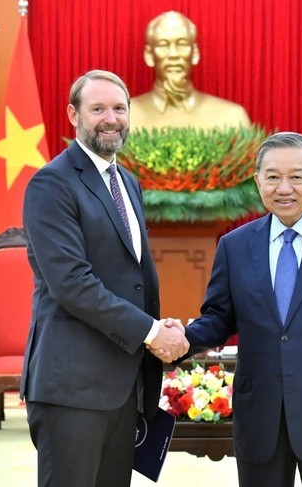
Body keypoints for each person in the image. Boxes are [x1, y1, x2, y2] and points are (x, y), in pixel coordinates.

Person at [158, 132, 302, 486]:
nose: (284, 188)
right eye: (273, 177)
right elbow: (219, 318)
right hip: (259, 418)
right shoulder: (235, 246)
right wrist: (180, 338)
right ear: (257, 181)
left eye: (296, 176)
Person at [20, 69, 189, 487]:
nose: (110, 118)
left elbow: (130, 278)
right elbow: (72, 284)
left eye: (119, 108)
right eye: (97, 109)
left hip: (123, 387)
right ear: (73, 116)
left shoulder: (126, 182)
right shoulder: (51, 184)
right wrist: (152, 332)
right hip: (71, 389)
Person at [130, 11, 251, 131]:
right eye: (163, 45)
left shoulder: (231, 118)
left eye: (182, 44)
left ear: (195, 53)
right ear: (149, 55)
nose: (173, 54)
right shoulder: (126, 117)